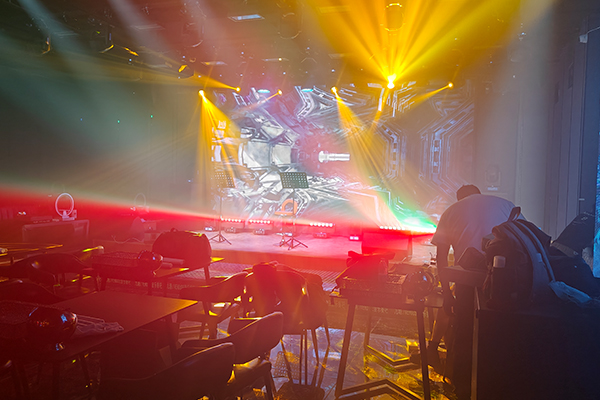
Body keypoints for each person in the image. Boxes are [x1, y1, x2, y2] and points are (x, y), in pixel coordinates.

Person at [430, 184, 516, 399]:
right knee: (498, 336)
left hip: (467, 281)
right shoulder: (505, 205)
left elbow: (441, 257)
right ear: (478, 194)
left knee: (465, 334)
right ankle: (493, 387)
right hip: (505, 281)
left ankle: (462, 389)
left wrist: (447, 294)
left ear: (459, 198)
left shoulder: (451, 211)